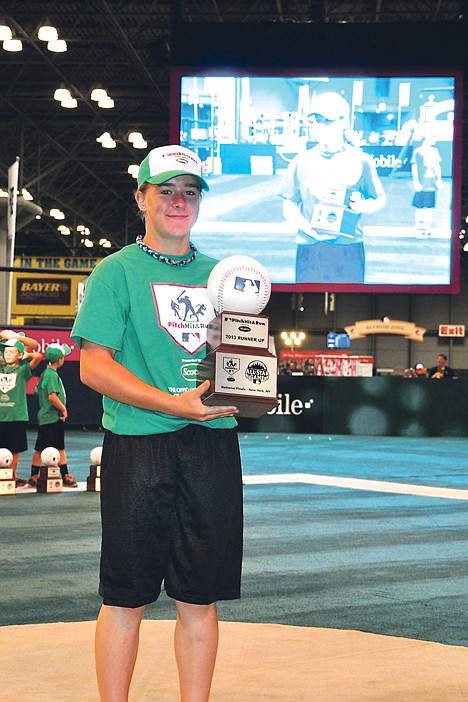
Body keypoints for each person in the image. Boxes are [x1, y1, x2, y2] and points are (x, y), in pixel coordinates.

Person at [71, 144, 243, 702]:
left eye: (189, 191)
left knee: (200, 596)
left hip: (211, 444)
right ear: (141, 197)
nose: (178, 201)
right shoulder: (115, 271)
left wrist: (248, 379)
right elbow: (94, 368)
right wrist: (175, 405)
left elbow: (238, 359)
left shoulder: (223, 274)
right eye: (165, 190)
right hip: (139, 444)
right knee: (126, 597)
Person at [277, 91, 386, 284]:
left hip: (348, 248)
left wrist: (363, 206)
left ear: (344, 122)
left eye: (326, 120)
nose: (319, 126)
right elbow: (289, 205)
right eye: (315, 120)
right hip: (310, 248)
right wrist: (310, 229)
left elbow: (379, 199)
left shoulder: (361, 160)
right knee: (306, 311)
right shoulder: (301, 161)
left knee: (353, 309)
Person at [28, 343, 78, 488]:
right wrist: (63, 409)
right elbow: (52, 397)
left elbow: (38, 391)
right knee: (60, 448)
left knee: (40, 447)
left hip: (45, 417)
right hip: (52, 417)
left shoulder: (45, 373)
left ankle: (34, 475)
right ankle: (65, 475)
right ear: (60, 359)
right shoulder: (51, 375)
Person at [0, 332, 42, 486]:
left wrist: (16, 338)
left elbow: (37, 356)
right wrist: (5, 337)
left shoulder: (23, 370)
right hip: (1, 415)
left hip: (16, 416)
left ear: (19, 354)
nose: (8, 354)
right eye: (6, 351)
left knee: (14, 450)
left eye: (12, 351)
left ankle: (11, 476)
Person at [411, 134, 443, 237]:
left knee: (429, 208)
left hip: (431, 185)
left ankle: (427, 227)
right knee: (419, 207)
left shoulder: (435, 151)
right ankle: (418, 226)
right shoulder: (418, 151)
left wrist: (439, 180)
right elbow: (414, 167)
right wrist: (416, 182)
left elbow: (437, 166)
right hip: (421, 184)